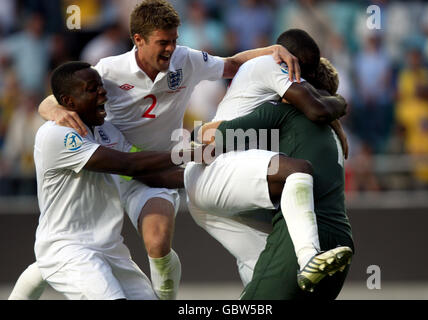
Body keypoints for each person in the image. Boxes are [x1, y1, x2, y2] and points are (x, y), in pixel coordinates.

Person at [34, 0, 301, 300]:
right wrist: (51, 111)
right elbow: (58, 97)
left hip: (156, 172)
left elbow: (233, 64)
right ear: (138, 40)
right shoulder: (109, 70)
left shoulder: (186, 60)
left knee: (158, 241)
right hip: (113, 166)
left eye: (174, 40)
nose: (171, 49)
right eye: (163, 42)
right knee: (73, 242)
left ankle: (167, 297)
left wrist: (271, 51)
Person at [22, 61, 197, 300]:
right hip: (69, 250)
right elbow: (129, 164)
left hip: (110, 249)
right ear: (69, 101)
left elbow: (148, 174)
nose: (103, 92)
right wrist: (190, 153)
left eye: (101, 86)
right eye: (92, 88)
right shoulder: (56, 135)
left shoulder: (107, 132)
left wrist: (203, 176)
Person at [204, 57, 354, 299]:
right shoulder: (333, 132)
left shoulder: (284, 113)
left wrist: (193, 135)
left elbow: (215, 136)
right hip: (341, 245)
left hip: (300, 238)